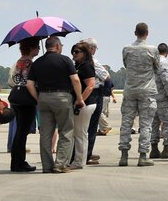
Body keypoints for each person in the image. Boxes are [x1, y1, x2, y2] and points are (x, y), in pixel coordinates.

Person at [26, 36, 85, 174]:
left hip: (44, 98)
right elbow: (75, 80)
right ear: (57, 46)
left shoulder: (38, 62)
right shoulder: (65, 60)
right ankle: (60, 164)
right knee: (66, 131)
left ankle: (47, 166)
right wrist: (80, 98)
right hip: (62, 97)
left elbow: (29, 84)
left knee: (45, 134)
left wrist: (38, 98)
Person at [118, 22, 161, 167]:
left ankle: (124, 155)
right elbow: (157, 67)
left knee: (126, 123)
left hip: (130, 89)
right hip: (147, 90)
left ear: (135, 33)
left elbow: (126, 65)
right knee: (146, 124)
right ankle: (143, 155)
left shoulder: (127, 49)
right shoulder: (152, 50)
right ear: (147, 33)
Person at [8, 37, 39, 172]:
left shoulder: (19, 62)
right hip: (26, 98)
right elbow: (30, 83)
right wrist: (37, 99)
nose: (38, 49)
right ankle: (20, 162)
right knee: (23, 132)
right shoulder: (30, 64)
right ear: (31, 48)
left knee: (19, 131)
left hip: (16, 97)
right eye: (37, 46)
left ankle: (16, 161)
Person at [68, 41, 98, 170]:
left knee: (80, 133)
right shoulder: (79, 65)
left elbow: (91, 85)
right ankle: (78, 159)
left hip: (85, 103)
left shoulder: (86, 66)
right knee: (79, 133)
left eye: (77, 52)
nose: (74, 54)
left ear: (84, 53)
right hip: (83, 103)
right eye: (72, 52)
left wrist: (80, 101)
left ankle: (79, 161)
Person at [84, 37, 110, 165]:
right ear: (91, 48)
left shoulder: (77, 61)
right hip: (94, 93)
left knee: (82, 126)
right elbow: (106, 76)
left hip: (82, 93)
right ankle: (87, 154)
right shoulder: (93, 61)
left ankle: (83, 152)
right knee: (92, 125)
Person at [150, 42, 168, 159]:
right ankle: (167, 148)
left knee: (154, 124)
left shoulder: (152, 62)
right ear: (167, 52)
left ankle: (154, 149)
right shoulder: (164, 62)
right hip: (163, 99)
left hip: (152, 97)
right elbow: (167, 82)